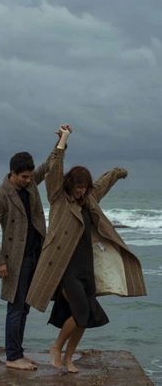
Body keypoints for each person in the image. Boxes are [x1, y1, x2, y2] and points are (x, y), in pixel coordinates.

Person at [27, 126, 146, 373]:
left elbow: (102, 184)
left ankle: (69, 357)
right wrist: (63, 140)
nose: (81, 190)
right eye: (78, 186)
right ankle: (56, 347)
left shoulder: (89, 198)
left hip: (86, 266)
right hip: (64, 266)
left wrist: (117, 173)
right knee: (81, 312)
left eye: (84, 187)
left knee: (87, 314)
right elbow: (55, 167)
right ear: (69, 184)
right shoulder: (58, 198)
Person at [0, 139, 58, 371]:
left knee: (24, 308)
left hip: (36, 254)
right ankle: (13, 357)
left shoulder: (31, 183)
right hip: (15, 259)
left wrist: (61, 141)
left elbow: (48, 165)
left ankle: (18, 353)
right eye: (23, 177)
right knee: (15, 309)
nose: (28, 180)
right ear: (12, 173)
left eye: (29, 176)